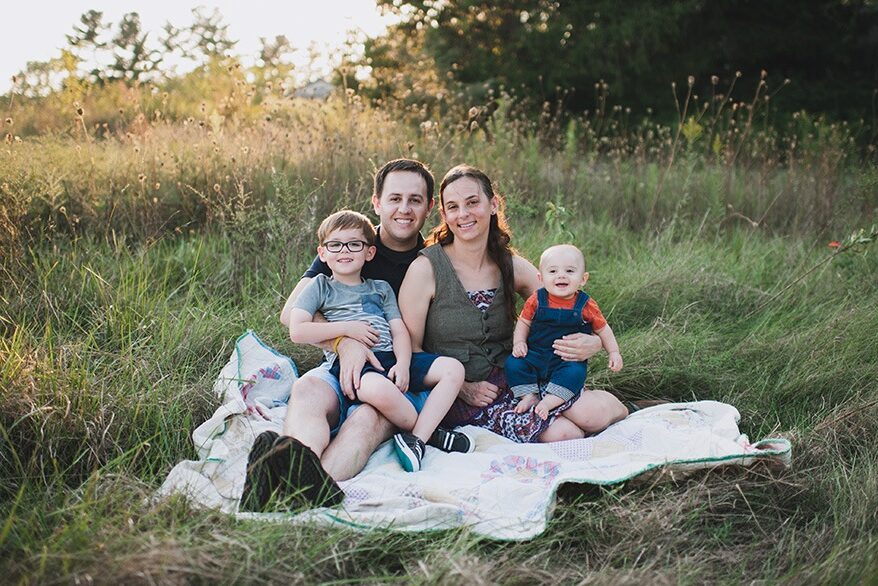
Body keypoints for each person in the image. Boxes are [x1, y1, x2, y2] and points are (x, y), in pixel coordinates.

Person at [241, 159, 472, 511]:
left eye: (415, 200)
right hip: (339, 365)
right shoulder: (350, 244)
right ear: (377, 202)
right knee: (306, 391)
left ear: (429, 208)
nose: (404, 209)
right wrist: (343, 341)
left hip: (397, 374)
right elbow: (292, 314)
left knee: (366, 417)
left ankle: (302, 491)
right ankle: (289, 464)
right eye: (395, 198)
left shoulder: (435, 261)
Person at [398, 164, 629, 444]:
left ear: (493, 204)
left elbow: (566, 305)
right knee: (566, 434)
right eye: (454, 207)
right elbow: (412, 351)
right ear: (444, 215)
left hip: (519, 379)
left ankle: (628, 409)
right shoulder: (425, 269)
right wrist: (462, 388)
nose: (464, 214)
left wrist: (592, 342)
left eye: (473, 202)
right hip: (463, 396)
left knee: (593, 414)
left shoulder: (511, 265)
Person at [286, 209, 465, 473]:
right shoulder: (320, 286)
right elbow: (297, 330)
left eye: (354, 244)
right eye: (335, 245)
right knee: (377, 391)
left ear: (369, 252)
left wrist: (404, 363)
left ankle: (417, 438)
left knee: (453, 369)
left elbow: (399, 331)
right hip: (358, 366)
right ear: (322, 253)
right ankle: (428, 432)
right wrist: (347, 332)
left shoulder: (380, 288)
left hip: (392, 358)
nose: (344, 251)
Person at [506, 244, 623, 420]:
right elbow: (523, 322)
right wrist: (519, 342)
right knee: (513, 364)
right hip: (535, 354)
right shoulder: (536, 299)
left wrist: (614, 352)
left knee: (575, 373)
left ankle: (549, 401)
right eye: (552, 271)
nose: (561, 275)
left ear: (583, 279)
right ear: (541, 278)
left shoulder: (586, 305)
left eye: (569, 271)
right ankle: (529, 396)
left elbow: (603, 329)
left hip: (566, 360)